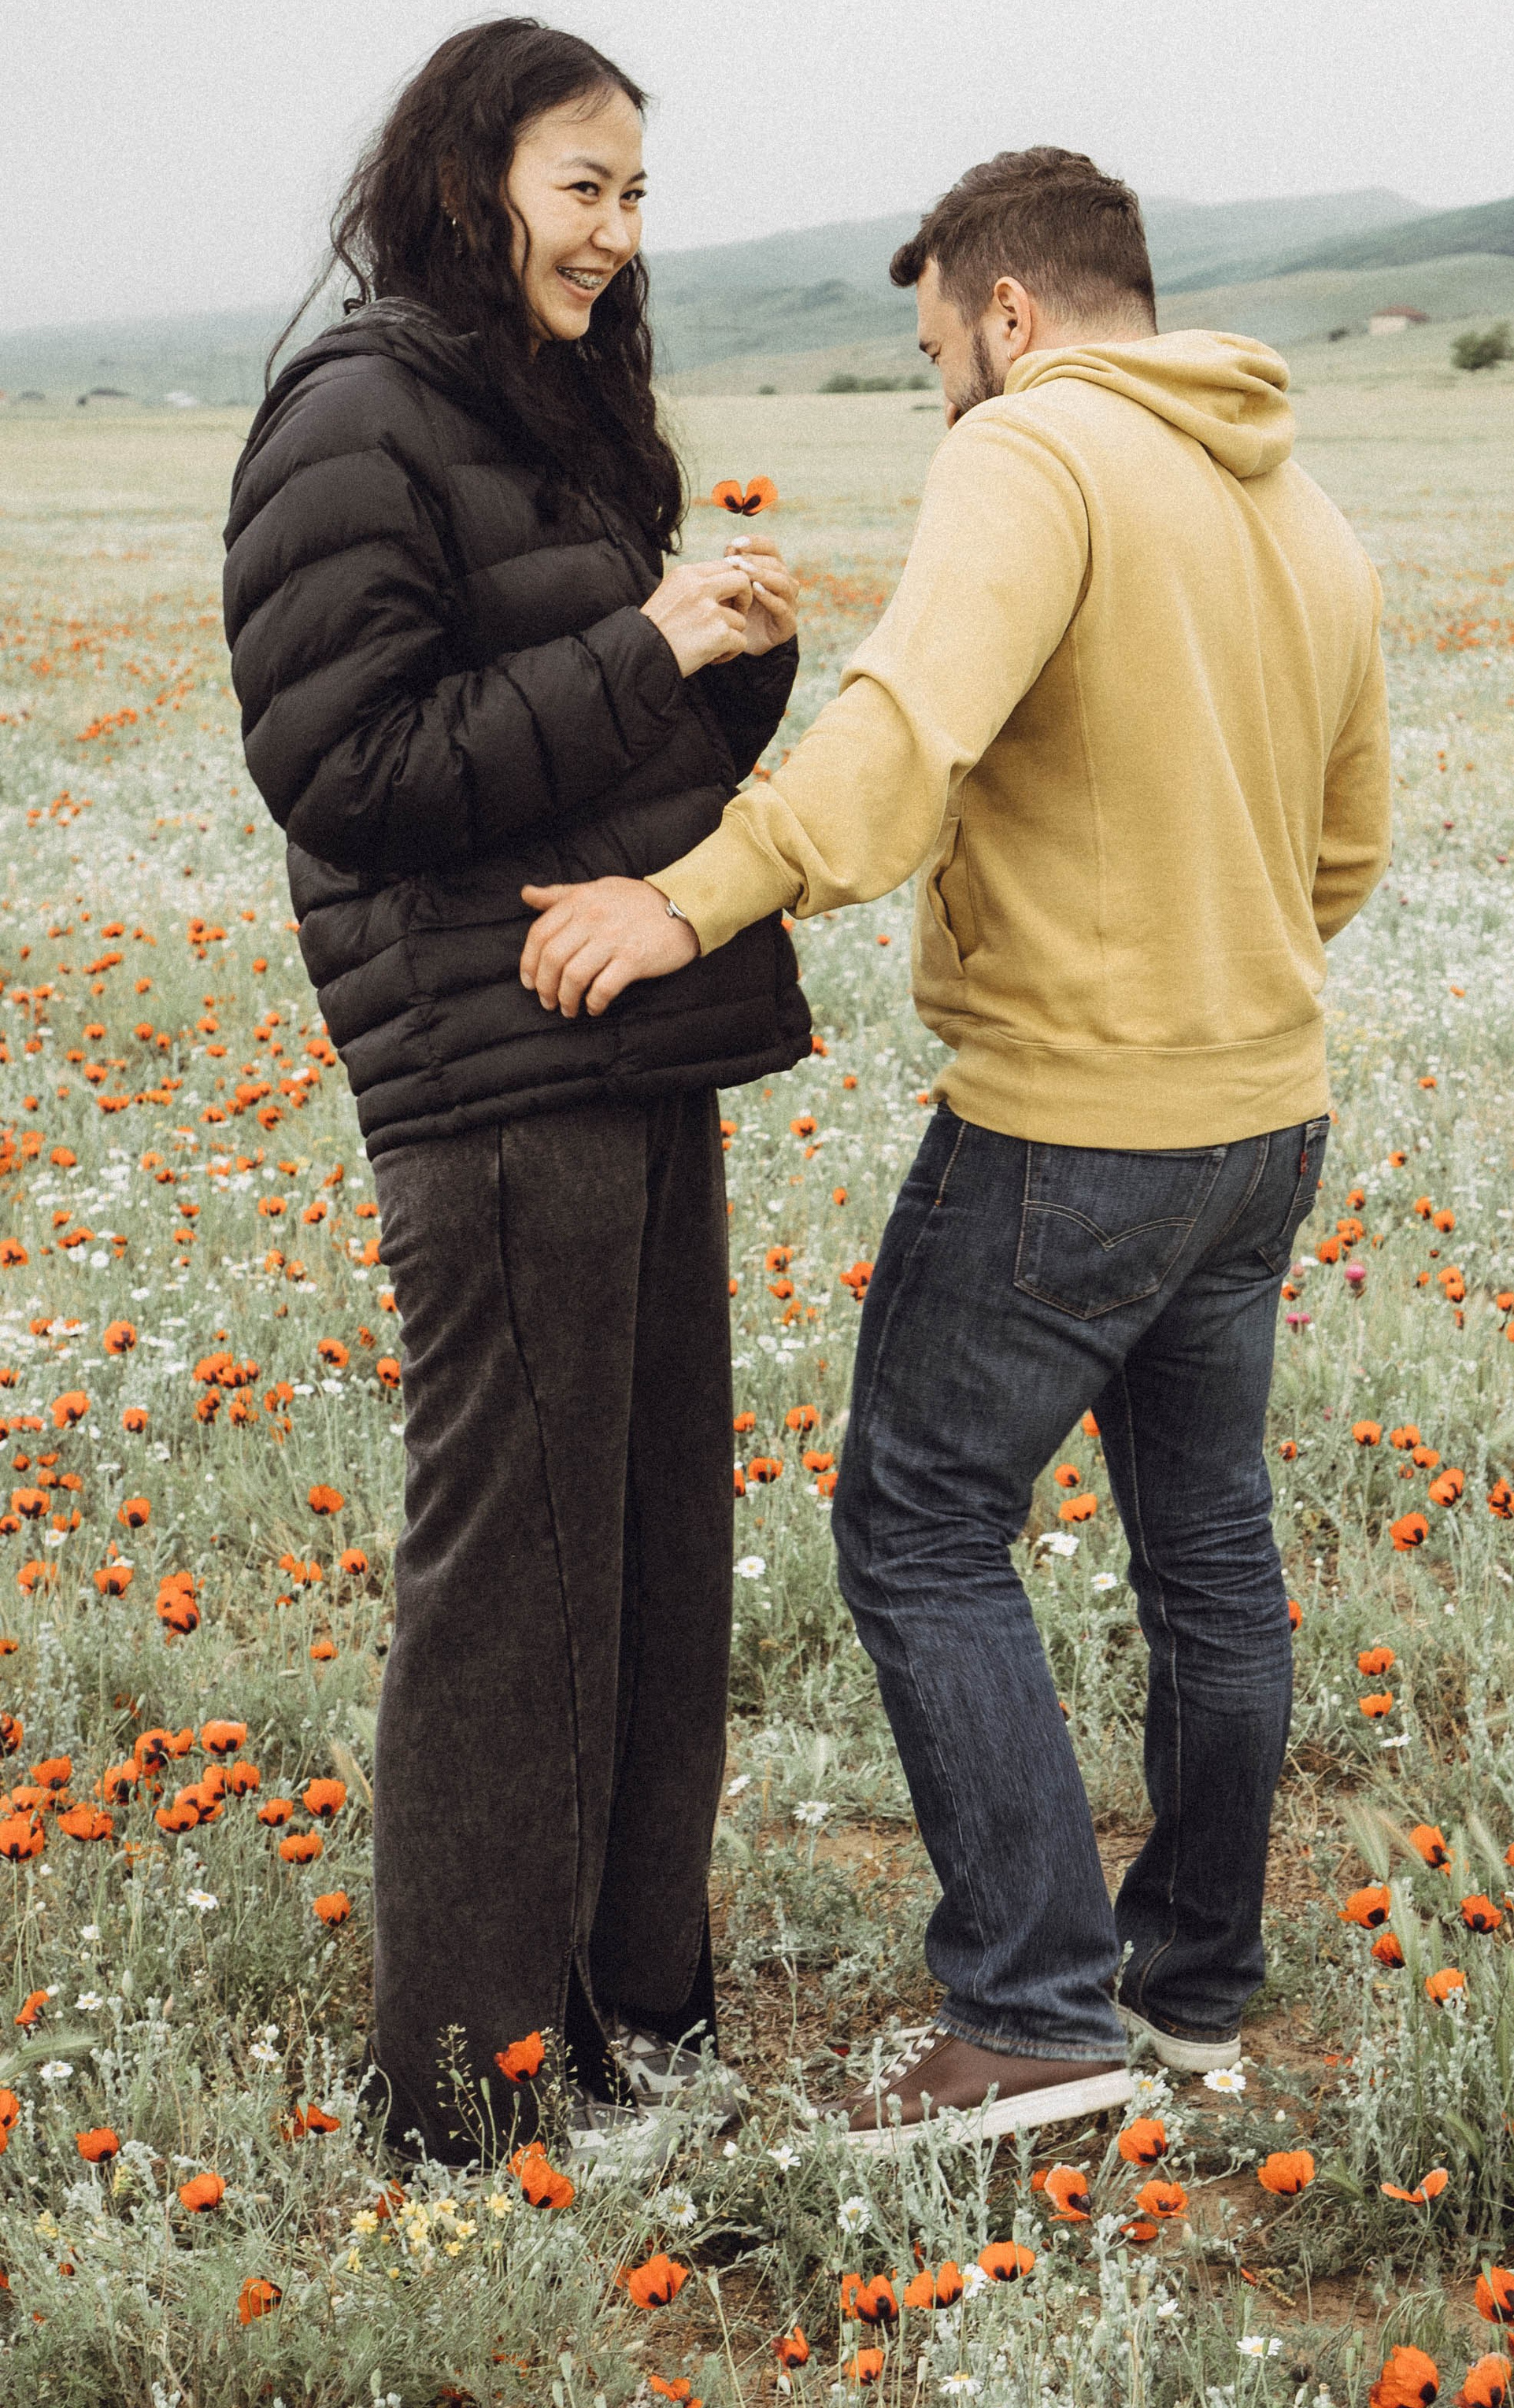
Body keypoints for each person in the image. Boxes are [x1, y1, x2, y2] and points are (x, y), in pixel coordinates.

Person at [518, 145, 1390, 2147]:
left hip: (1073, 1117)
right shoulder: (1299, 496)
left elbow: (906, 731)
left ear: (1005, 311)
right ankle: (1187, 1995)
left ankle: (1030, 2015)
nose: (940, 386)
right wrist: (1205, 969)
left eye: (936, 347)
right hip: (1261, 1115)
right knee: (1209, 1553)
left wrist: (687, 896)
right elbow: (1343, 848)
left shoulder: (1034, 457)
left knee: (914, 1525)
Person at [223, 18, 809, 2165]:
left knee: (653, 1557)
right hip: (492, 1071)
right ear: (478, 182)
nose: (618, 231)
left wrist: (728, 660)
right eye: (586, 186)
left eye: (640, 191)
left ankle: (637, 2017)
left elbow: (609, 733)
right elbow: (349, 772)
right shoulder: (356, 414)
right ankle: (470, 2099)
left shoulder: (562, 415)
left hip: (640, 1029)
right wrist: (644, 647)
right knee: (519, 1581)